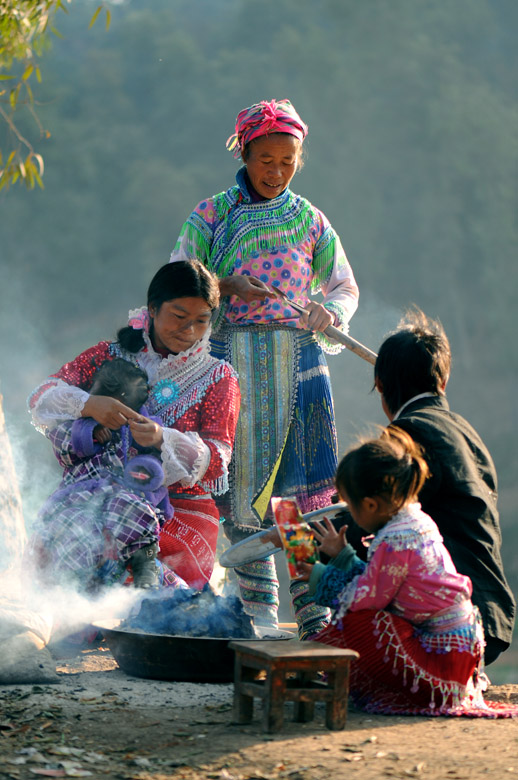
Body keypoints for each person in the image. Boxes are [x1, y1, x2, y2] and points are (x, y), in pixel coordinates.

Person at [170, 98, 359, 626]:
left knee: (296, 495)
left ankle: (312, 610)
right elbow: (175, 280)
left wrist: (330, 311)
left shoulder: (311, 221)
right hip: (231, 365)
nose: (276, 172)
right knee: (241, 491)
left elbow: (344, 285)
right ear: (243, 153)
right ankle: (257, 614)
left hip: (300, 367)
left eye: (287, 161)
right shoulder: (210, 216)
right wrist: (223, 285)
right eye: (265, 160)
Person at [27, 261, 241, 591]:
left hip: (177, 513)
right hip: (93, 495)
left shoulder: (218, 377)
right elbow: (41, 397)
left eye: (201, 321)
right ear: (152, 309)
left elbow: (217, 461)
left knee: (122, 550)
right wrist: (89, 405)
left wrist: (163, 440)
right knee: (68, 532)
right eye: (179, 317)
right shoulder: (107, 355)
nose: (189, 331)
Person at [296, 428, 518, 717]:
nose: (349, 512)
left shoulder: (396, 540)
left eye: (350, 505)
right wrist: (342, 556)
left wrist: (318, 574)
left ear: (372, 504)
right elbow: (378, 581)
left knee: (360, 622)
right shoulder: (414, 521)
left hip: (443, 662)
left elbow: (365, 600)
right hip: (456, 655)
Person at [372, 309, 516, 666]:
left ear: (382, 388)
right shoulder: (468, 433)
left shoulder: (405, 435)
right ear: (443, 381)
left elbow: (378, 519)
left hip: (453, 617)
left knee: (354, 569)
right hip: (492, 612)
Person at [26, 358, 177, 592]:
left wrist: (145, 471)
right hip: (81, 495)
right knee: (74, 527)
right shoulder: (80, 421)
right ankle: (75, 585)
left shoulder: (144, 425)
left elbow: (157, 465)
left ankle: (144, 564)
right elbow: (62, 447)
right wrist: (90, 432)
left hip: (126, 493)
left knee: (135, 511)